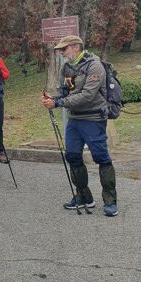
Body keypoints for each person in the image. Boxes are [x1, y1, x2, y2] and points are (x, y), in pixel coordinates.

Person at [41, 35, 118, 217]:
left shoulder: (94, 65)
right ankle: (84, 197)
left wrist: (59, 104)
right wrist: (52, 98)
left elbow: (88, 95)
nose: (61, 52)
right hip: (74, 119)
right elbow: (64, 90)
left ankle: (110, 201)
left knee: (102, 158)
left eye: (64, 49)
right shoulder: (67, 67)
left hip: (93, 118)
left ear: (75, 47)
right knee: (73, 156)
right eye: (60, 50)